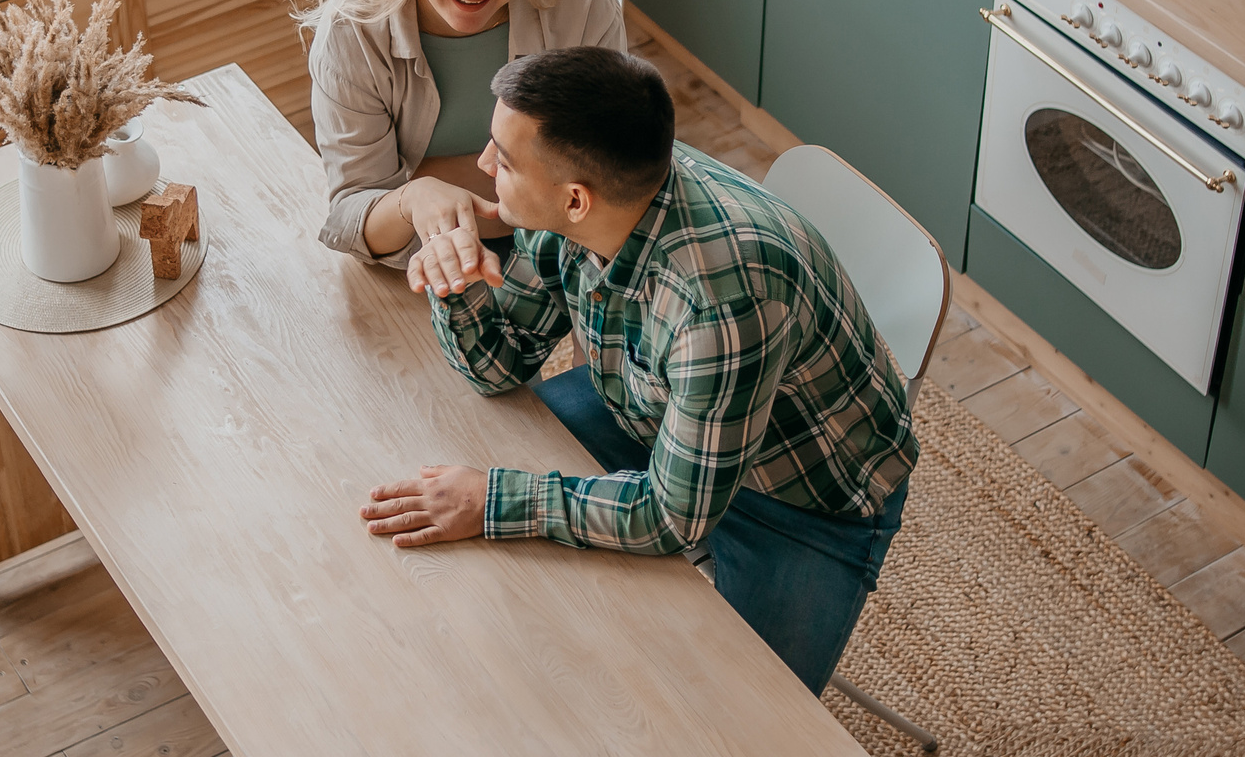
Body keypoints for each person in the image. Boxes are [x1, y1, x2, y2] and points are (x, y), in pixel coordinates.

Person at [357, 46, 919, 694]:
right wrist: (454, 280)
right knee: (469, 500)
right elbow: (500, 365)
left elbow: (670, 518)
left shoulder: (721, 301)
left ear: (576, 199)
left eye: (503, 160)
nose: (483, 165)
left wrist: (494, 500)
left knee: (737, 714)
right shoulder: (587, 198)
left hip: (805, 497)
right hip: (650, 410)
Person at [304, 0, 624, 268]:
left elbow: (611, 162)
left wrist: (423, 178)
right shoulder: (353, 31)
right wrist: (411, 198)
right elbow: (354, 218)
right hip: (420, 262)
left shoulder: (584, 3)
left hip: (569, 247)